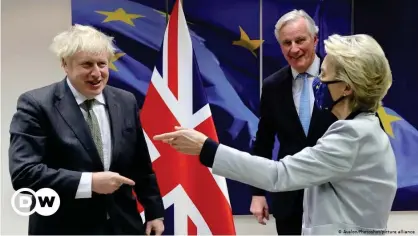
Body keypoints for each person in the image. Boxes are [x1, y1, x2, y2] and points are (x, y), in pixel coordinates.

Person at [153, 33, 398, 235]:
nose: (317, 83)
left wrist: (207, 148)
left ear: (347, 87)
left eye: (324, 76)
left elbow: (280, 174)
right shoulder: (362, 128)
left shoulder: (353, 134)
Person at [8, 24, 165, 235]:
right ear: (65, 64)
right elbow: (24, 174)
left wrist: (154, 211)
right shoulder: (36, 105)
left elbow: (140, 165)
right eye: (87, 65)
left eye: (102, 64)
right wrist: (89, 183)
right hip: (63, 227)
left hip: (124, 226)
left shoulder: (125, 101)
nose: (96, 73)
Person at [251, 9, 337, 234]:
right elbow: (264, 142)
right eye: (286, 42)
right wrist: (258, 192)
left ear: (315, 39)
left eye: (300, 40)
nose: (294, 49)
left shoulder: (342, 79)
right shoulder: (272, 87)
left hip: (336, 196)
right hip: (290, 200)